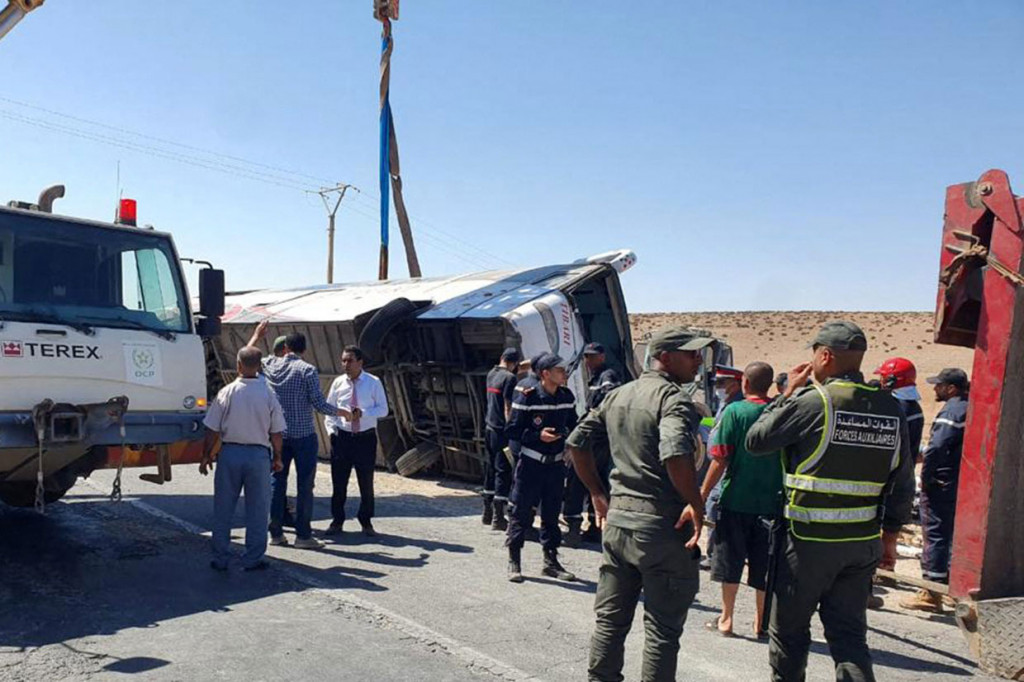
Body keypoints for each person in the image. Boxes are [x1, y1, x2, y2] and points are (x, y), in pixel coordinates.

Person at [746, 320, 915, 682]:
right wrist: (890, 538)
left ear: (824, 356)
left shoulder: (815, 402)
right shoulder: (891, 409)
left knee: (789, 634)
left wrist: (788, 393)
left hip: (808, 543)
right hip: (861, 544)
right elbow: (903, 482)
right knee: (850, 638)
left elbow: (757, 441)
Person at [567, 327, 711, 682]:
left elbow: (576, 442)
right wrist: (696, 504)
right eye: (691, 354)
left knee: (610, 622)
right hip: (662, 529)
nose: (698, 360)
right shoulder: (673, 400)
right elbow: (675, 453)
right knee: (662, 631)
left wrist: (598, 494)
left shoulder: (618, 395)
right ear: (665, 358)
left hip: (619, 523)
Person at [700, 362, 782, 638]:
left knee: (730, 561)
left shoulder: (735, 412)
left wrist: (702, 494)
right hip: (772, 504)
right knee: (764, 565)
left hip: (736, 499)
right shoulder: (779, 413)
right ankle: (761, 622)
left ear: (744, 382)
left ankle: (726, 619)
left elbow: (719, 458)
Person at [249, 320, 347, 550]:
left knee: (276, 483)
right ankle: (303, 535)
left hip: (278, 435)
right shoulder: (307, 370)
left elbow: (247, 356)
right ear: (304, 349)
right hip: (303, 436)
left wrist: (257, 335)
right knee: (304, 486)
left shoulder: (270, 365)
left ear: (285, 348)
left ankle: (275, 533)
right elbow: (319, 404)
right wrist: (342, 413)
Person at [200, 346, 286, 572]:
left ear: (238, 365)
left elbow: (212, 428)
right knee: (258, 508)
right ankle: (252, 558)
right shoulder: (268, 394)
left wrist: (206, 455)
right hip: (258, 455)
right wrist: (278, 457)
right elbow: (276, 432)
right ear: (259, 366)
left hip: (230, 454)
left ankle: (221, 557)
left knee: (223, 506)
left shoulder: (227, 392)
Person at [900, 367, 969, 613]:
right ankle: (950, 588)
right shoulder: (969, 408)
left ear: (951, 388)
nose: (935, 389)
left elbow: (937, 447)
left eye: (939, 385)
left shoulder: (951, 411)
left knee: (935, 533)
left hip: (942, 482)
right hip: (959, 482)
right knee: (951, 534)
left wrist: (927, 476)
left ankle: (931, 592)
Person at [505, 352, 578, 584]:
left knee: (552, 513)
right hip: (531, 464)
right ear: (545, 374)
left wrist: (571, 445)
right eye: (559, 370)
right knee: (521, 511)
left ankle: (551, 562)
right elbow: (512, 430)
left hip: (556, 465)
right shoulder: (528, 396)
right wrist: (538, 436)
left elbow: (574, 424)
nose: (564, 373)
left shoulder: (566, 396)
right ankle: (514, 560)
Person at [324, 345, 390, 538]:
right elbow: (330, 409)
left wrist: (363, 413)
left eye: (350, 361)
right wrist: (332, 432)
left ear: (360, 362)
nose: (346, 364)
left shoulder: (373, 382)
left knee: (366, 482)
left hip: (365, 438)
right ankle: (337, 520)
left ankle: (366, 520)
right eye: (343, 361)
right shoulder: (338, 383)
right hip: (343, 437)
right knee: (339, 482)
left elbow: (383, 409)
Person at [563, 342, 622, 547]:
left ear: (602, 357)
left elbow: (608, 403)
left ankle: (580, 528)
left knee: (580, 478)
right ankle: (590, 528)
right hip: (594, 437)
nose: (588, 360)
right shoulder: (595, 378)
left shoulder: (607, 376)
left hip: (596, 439)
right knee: (590, 480)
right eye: (586, 357)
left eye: (592, 356)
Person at [483, 348, 521, 531]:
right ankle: (499, 517)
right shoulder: (510, 378)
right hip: (501, 431)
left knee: (490, 468)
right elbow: (508, 407)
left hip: (488, 428)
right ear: (514, 364)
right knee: (503, 470)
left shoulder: (492, 374)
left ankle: (487, 511)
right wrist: (511, 429)